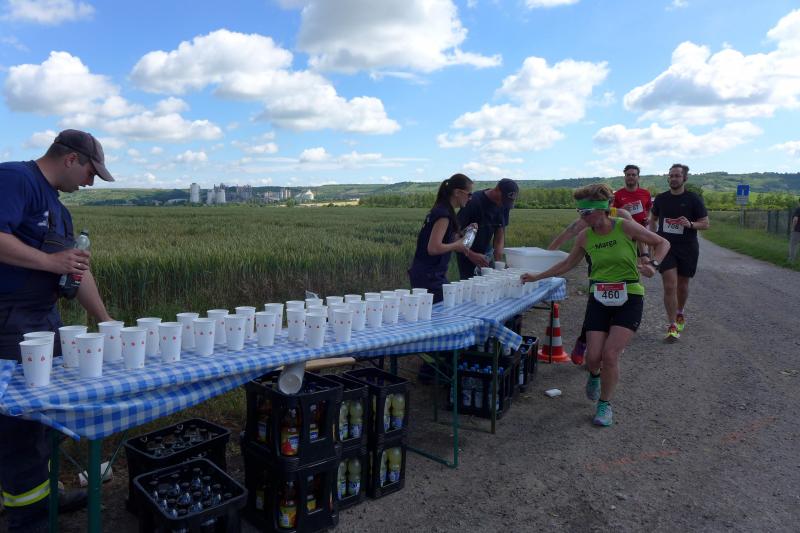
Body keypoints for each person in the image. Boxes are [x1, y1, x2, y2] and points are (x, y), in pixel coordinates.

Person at [0, 129, 116, 532]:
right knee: (19, 427)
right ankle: (28, 520)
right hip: (8, 323)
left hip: (44, 320)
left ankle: (45, 496)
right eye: (90, 173)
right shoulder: (15, 179)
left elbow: (76, 271)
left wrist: (105, 320)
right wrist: (51, 263)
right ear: (70, 159)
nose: (89, 183)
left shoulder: (59, 210)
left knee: (50, 417)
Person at [521, 184, 669, 426]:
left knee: (610, 355)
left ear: (603, 209)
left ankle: (604, 405)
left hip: (629, 295)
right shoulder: (584, 236)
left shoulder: (624, 226)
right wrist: (537, 276)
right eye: (580, 212)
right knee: (592, 358)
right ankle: (594, 374)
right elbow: (567, 264)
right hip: (599, 297)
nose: (583, 217)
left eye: (587, 212)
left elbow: (663, 243)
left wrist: (653, 265)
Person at [547, 206, 633, 365]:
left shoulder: (620, 215)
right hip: (598, 272)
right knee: (596, 310)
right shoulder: (588, 217)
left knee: (617, 310)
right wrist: (548, 254)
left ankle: (607, 348)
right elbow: (569, 232)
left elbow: (639, 235)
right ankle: (583, 340)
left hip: (622, 272)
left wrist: (645, 257)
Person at [649, 164, 709, 342]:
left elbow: (705, 223)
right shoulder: (661, 199)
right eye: (671, 175)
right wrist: (654, 238)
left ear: (685, 178)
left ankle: (680, 312)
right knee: (669, 285)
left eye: (677, 176)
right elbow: (652, 219)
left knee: (682, 286)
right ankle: (672, 325)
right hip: (666, 247)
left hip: (687, 247)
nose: (673, 179)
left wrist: (690, 224)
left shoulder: (693, 199)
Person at [408, 173, 482, 303]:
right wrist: (457, 245)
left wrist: (467, 232)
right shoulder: (444, 215)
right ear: (457, 192)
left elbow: (447, 239)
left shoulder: (442, 210)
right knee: (441, 309)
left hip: (427, 273)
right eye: (469, 194)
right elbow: (433, 248)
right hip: (429, 276)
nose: (470, 198)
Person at [456, 178, 518, 279]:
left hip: (486, 251)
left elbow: (499, 235)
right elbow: (454, 234)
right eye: (503, 200)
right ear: (497, 190)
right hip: (467, 252)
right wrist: (471, 255)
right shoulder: (474, 202)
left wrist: (498, 263)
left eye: (507, 202)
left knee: (492, 280)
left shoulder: (504, 205)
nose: (503, 204)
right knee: (471, 284)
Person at [788, 199, 800, 263]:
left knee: (793, 245)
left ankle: (791, 260)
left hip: (797, 230)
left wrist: (793, 228)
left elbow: (795, 219)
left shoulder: (798, 209)